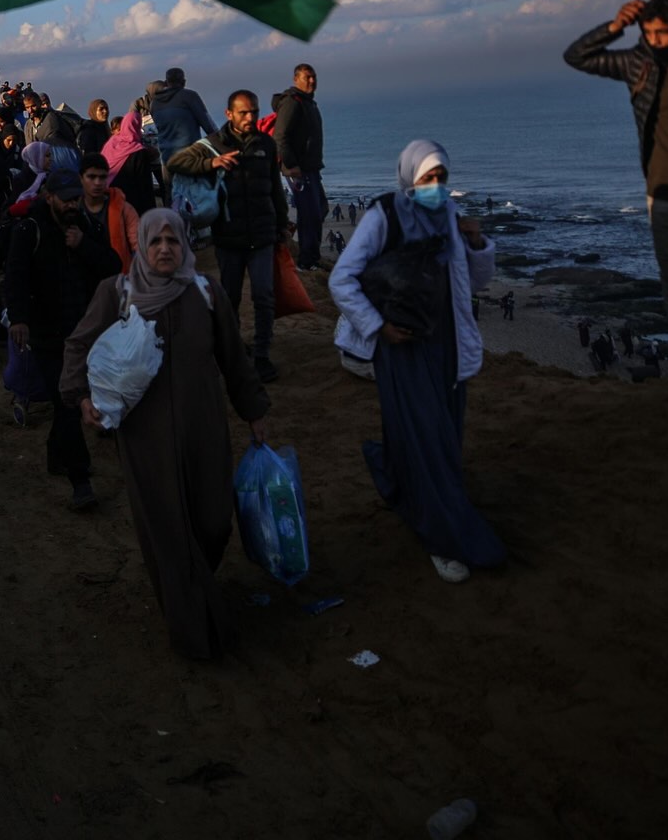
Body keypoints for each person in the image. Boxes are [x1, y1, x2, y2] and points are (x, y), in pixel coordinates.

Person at [61, 208, 270, 658]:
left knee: (214, 522)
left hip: (204, 427)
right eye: (155, 242)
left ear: (185, 246)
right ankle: (194, 630)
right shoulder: (117, 292)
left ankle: (192, 588)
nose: (163, 250)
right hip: (145, 438)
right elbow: (78, 344)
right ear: (141, 246)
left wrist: (254, 410)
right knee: (168, 531)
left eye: (173, 242)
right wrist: (80, 397)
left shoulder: (206, 292)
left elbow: (234, 358)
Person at [328, 140, 504, 584]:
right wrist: (377, 326)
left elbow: (475, 281)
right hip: (403, 350)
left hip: (447, 343)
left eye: (441, 177)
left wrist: (479, 243)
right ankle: (443, 539)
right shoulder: (383, 217)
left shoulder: (448, 217)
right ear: (409, 178)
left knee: (442, 434)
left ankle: (402, 484)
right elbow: (341, 278)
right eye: (427, 178)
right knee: (428, 437)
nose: (436, 186)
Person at [3, 170, 121, 510]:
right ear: (49, 197)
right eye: (66, 198)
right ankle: (80, 479)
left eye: (75, 198)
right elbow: (16, 275)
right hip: (47, 333)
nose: (72, 204)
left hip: (85, 333)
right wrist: (19, 318)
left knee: (64, 403)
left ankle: (57, 453)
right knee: (68, 402)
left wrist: (83, 245)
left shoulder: (84, 226)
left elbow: (112, 266)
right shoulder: (30, 229)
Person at [564, 0, 668, 322]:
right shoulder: (636, 64)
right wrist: (614, 26)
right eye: (648, 33)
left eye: (663, 32)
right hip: (661, 192)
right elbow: (576, 56)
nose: (655, 41)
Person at [171, 91, 289, 383]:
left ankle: (261, 355)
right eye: (244, 113)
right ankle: (235, 351)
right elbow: (175, 162)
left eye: (254, 112)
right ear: (229, 115)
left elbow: (276, 188)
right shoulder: (213, 144)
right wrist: (209, 164)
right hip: (228, 237)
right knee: (230, 299)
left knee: (264, 296)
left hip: (262, 235)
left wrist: (283, 225)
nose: (250, 118)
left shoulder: (265, 144)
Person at [273, 64, 327, 271]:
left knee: (320, 208)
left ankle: (312, 256)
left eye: (313, 77)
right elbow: (280, 136)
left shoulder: (308, 103)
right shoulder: (292, 103)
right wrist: (292, 165)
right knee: (310, 212)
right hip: (299, 170)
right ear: (296, 79)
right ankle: (306, 261)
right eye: (307, 77)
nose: (312, 81)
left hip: (311, 168)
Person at [146, 68, 215, 193]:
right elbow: (208, 125)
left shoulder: (154, 104)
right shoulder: (189, 96)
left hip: (167, 158)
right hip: (189, 157)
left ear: (166, 83)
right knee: (195, 198)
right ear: (183, 81)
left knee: (172, 197)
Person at [77, 151, 140, 274]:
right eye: (91, 177)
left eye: (102, 177)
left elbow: (139, 245)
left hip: (119, 279)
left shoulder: (124, 209)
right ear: (81, 178)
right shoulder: (73, 209)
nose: (97, 183)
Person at [99, 108, 158, 217]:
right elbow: (145, 184)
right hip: (132, 201)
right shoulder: (139, 151)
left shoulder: (111, 143)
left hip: (109, 195)